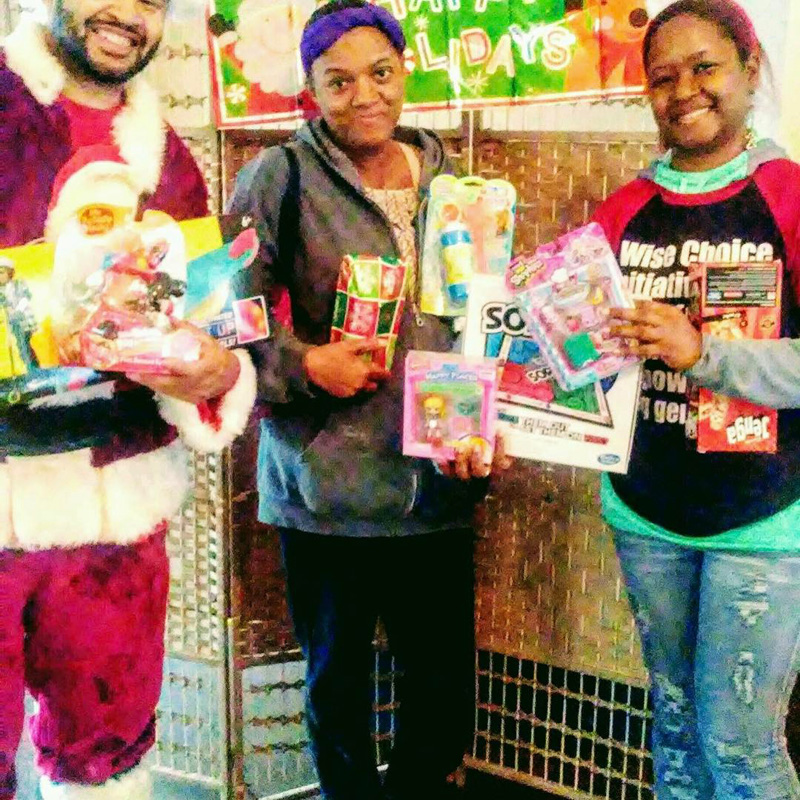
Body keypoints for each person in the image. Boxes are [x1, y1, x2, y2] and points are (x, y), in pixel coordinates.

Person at [227, 2, 509, 798]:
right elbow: (226, 311)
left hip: (437, 484)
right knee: (338, 691)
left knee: (444, 698)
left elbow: (487, 319)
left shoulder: (457, 183)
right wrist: (306, 364)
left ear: (404, 71)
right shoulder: (278, 176)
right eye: (339, 81)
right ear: (311, 90)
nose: (364, 96)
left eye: (380, 73)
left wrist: (494, 421)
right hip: (327, 493)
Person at [0, 2, 257, 798]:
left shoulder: (170, 159)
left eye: (151, 0)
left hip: (119, 519)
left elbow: (208, 319)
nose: (125, 14)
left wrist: (215, 377)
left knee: (106, 758)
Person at [592, 2, 800, 798]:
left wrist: (703, 353)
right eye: (663, 77)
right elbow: (581, 365)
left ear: (750, 68)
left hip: (764, 517)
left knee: (739, 748)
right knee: (675, 732)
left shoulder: (788, 196)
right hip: (645, 509)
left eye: (705, 67)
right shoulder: (623, 211)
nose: (684, 90)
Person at [0, 258, 38, 373]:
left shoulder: (18, 284)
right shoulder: (1, 291)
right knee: (21, 346)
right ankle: (30, 368)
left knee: (24, 345)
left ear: (9, 273)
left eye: (1, 272)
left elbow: (25, 298)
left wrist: (17, 311)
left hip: (24, 320)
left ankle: (32, 369)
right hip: (13, 323)